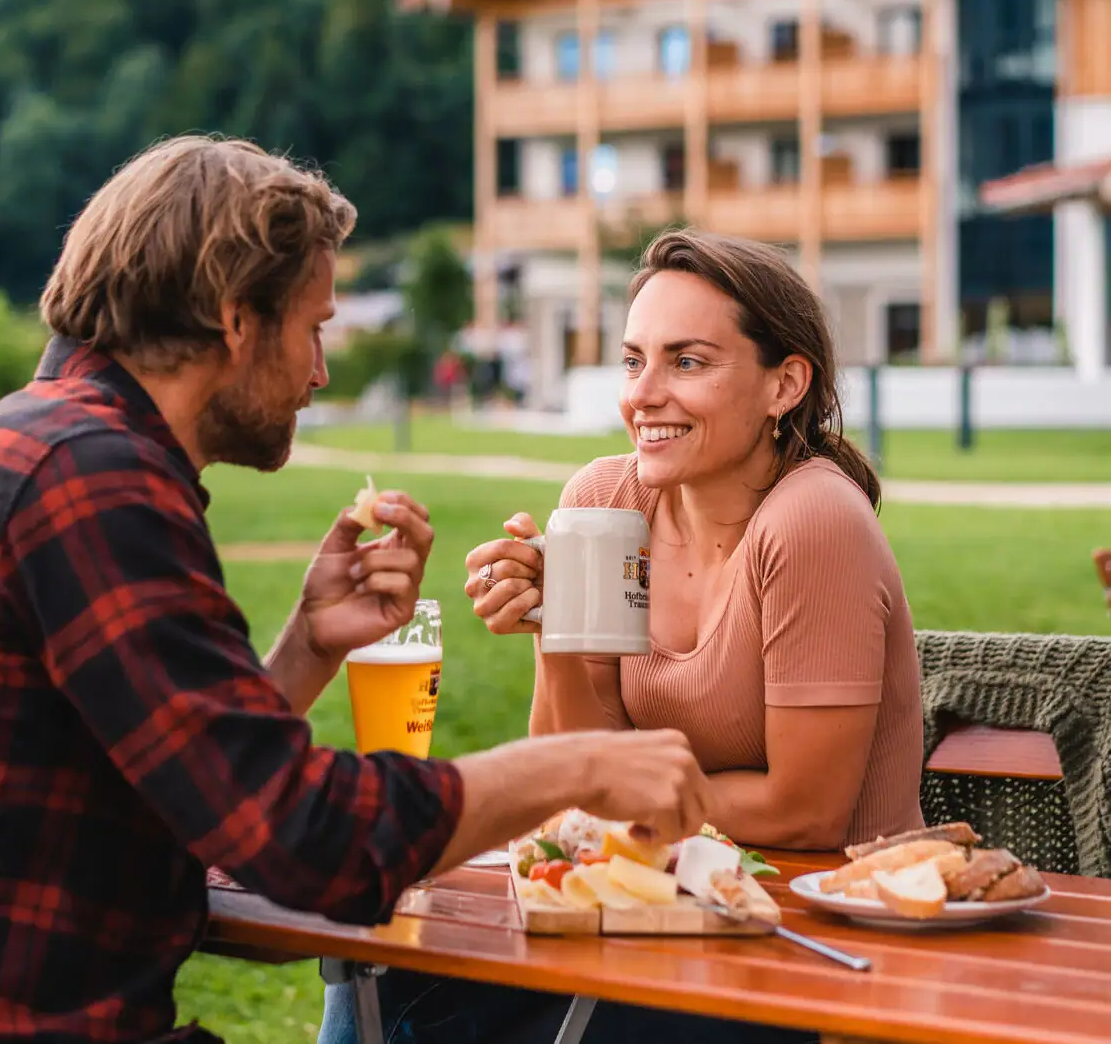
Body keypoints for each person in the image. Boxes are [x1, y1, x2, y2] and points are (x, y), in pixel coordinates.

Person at [0, 137, 713, 1044]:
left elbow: (197, 790)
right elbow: (307, 841)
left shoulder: (58, 442)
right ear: (235, 318)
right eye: (314, 326)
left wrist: (306, 647)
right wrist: (583, 766)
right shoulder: (90, 477)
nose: (320, 371)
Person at [320, 227, 922, 1044]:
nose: (645, 393)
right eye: (634, 360)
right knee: (388, 966)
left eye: (688, 361)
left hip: (812, 945)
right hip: (656, 914)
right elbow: (572, 762)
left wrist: (615, 789)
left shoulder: (812, 521)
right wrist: (552, 626)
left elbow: (806, 809)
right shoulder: (606, 501)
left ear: (784, 383)